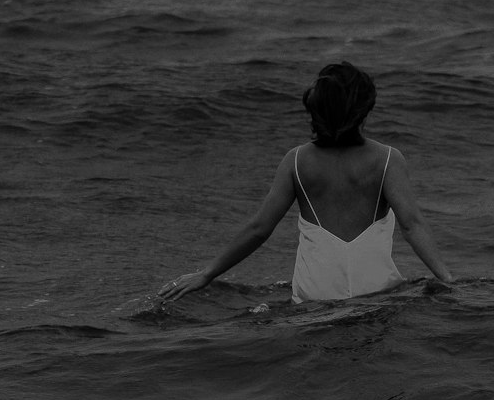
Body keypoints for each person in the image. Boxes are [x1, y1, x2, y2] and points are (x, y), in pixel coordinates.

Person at [159, 61, 453, 305]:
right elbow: (412, 224)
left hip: (316, 296)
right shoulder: (388, 159)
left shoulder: (296, 161)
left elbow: (259, 229)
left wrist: (207, 274)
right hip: (376, 293)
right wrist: (447, 279)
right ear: (364, 110)